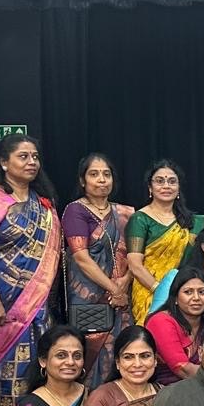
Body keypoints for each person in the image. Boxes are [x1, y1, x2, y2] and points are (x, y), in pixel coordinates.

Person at [0, 132, 61, 406]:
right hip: (3, 303)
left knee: (41, 370)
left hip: (39, 305)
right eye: (23, 156)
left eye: (35, 157)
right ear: (4, 162)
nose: (31, 162)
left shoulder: (43, 203)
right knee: (6, 373)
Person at [61, 152, 135, 388]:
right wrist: (115, 289)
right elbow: (81, 257)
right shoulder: (75, 211)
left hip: (123, 298)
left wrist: (125, 282)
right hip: (88, 297)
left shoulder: (126, 213)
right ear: (82, 181)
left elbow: (136, 255)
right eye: (94, 174)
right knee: (88, 356)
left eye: (106, 174)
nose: (102, 179)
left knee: (123, 350)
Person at [125, 159, 204, 324]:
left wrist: (179, 292)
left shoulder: (193, 222)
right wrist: (163, 292)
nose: (166, 186)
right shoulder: (140, 219)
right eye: (160, 181)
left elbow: (199, 261)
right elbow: (135, 265)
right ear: (150, 188)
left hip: (186, 294)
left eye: (172, 181)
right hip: (149, 291)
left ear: (178, 188)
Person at [145, 268, 204, 384]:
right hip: (166, 389)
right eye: (188, 292)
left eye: (202, 292)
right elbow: (184, 370)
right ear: (175, 298)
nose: (196, 298)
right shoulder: (161, 321)